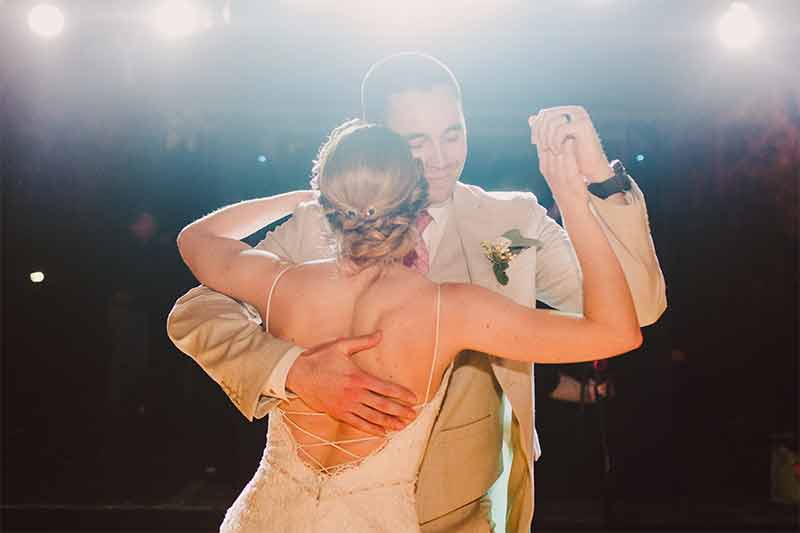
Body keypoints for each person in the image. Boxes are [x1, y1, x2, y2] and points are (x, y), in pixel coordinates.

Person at [167, 53, 666, 532]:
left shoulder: (513, 219)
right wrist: (290, 368)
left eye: (453, 135)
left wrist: (599, 183)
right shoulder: (318, 226)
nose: (442, 159)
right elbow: (198, 308)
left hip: (468, 505)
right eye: (418, 143)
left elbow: (638, 308)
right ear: (378, 142)